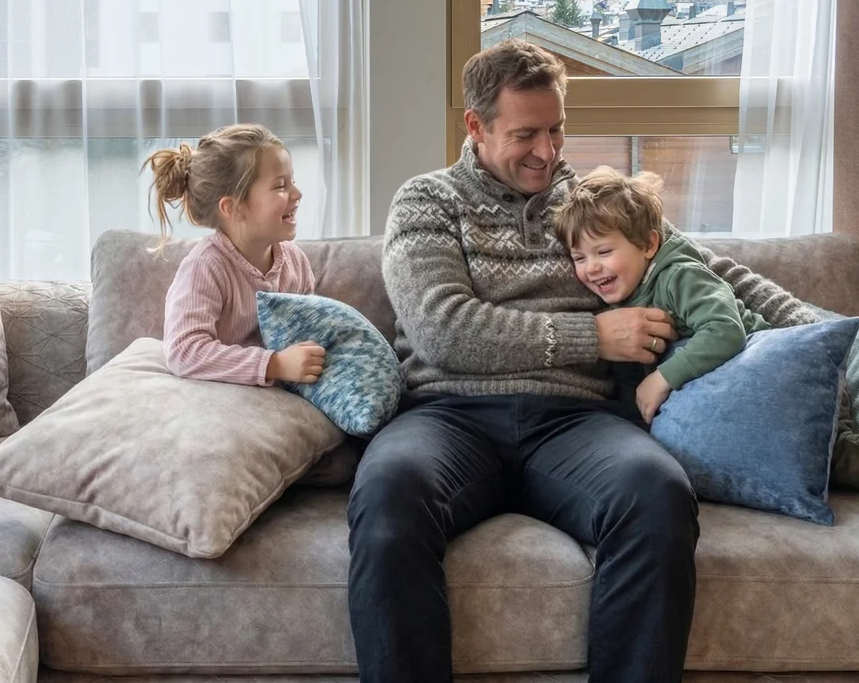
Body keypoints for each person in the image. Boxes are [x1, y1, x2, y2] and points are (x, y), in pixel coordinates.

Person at [347, 39, 819, 683]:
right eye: (526, 134)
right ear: (476, 126)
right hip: (447, 416)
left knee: (656, 494)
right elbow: (443, 330)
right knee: (387, 495)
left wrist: (833, 333)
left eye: (557, 129)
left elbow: (712, 275)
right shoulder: (427, 202)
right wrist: (595, 337)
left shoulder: (592, 198)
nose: (548, 152)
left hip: (575, 421)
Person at [554, 166, 859, 509]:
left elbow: (725, 330)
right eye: (579, 257)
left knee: (844, 457)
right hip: (737, 403)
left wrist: (661, 379)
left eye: (603, 252)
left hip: (785, 382)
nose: (591, 268)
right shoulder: (617, 299)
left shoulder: (680, 275)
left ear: (649, 244)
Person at [145, 123, 326, 388]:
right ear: (233, 208)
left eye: (293, 181)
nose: (297, 194)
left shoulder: (295, 262)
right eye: (280, 186)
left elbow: (310, 329)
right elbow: (184, 351)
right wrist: (274, 364)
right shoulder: (205, 266)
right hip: (218, 400)